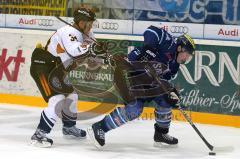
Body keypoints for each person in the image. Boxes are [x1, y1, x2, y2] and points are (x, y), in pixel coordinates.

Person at [87, 25, 196, 148]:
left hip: (149, 83)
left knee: (166, 100)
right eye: (187, 54)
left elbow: (164, 80)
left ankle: (161, 134)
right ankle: (100, 127)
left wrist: (170, 92)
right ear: (180, 48)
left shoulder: (175, 65)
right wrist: (149, 49)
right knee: (134, 110)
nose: (187, 58)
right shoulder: (169, 43)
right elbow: (151, 30)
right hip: (131, 76)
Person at [30, 7, 96, 147]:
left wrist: (100, 52)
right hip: (42, 66)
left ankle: (68, 127)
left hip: (56, 69)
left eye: (91, 23)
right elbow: (75, 51)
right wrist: (92, 49)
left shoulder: (86, 32)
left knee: (72, 95)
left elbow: (93, 48)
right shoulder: (68, 32)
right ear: (80, 22)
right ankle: (39, 135)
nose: (91, 26)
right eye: (88, 23)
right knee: (57, 99)